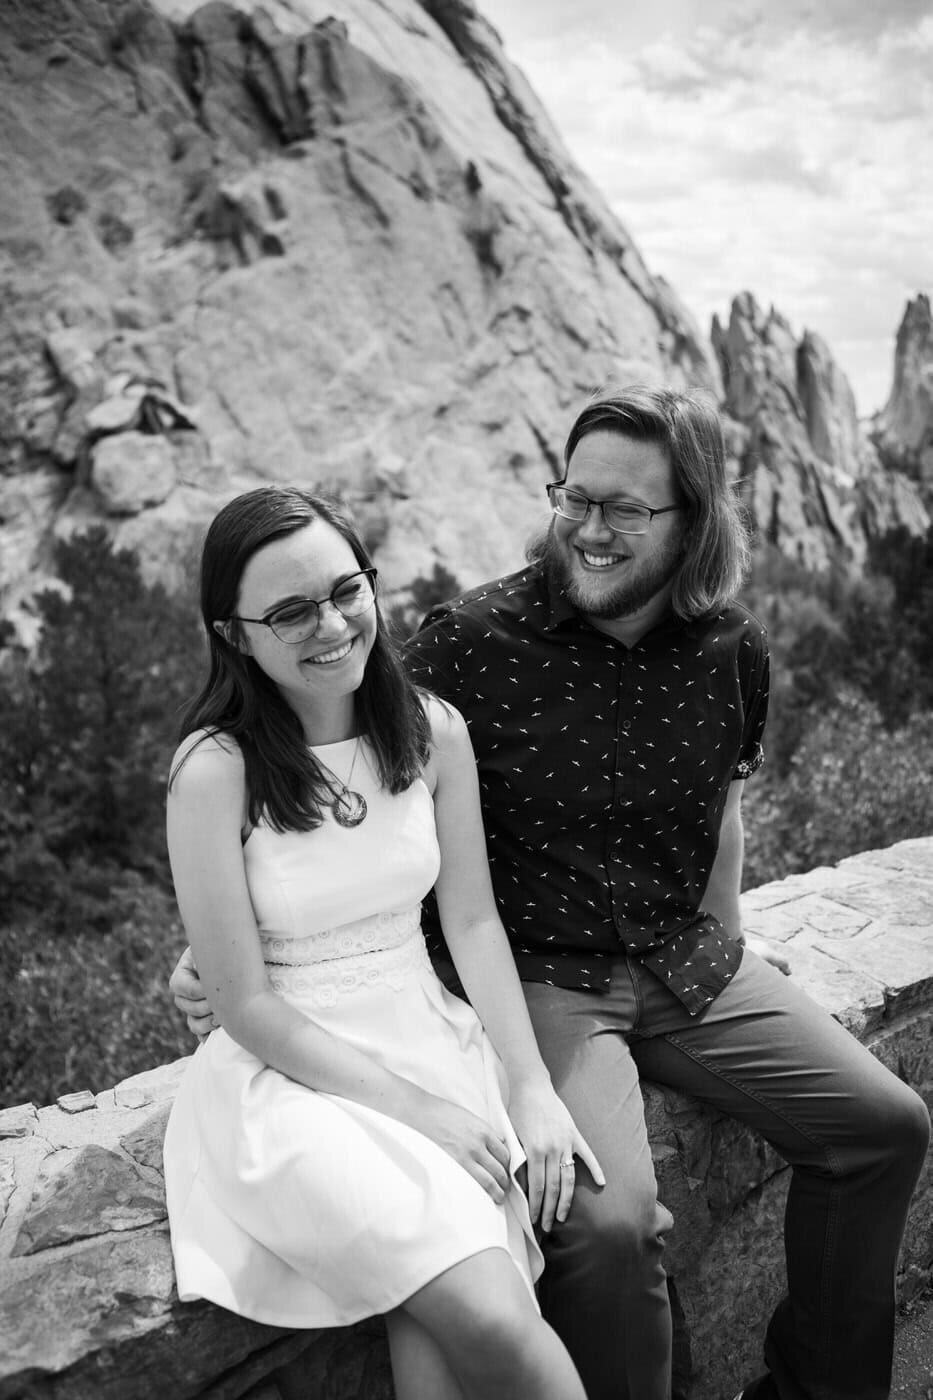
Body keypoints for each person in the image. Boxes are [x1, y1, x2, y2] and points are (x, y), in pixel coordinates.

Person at [172, 388, 931, 1400]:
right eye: (576, 496)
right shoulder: (468, 642)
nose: (589, 526)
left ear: (694, 520)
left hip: (685, 957)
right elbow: (349, 797)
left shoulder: (731, 650)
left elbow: (724, 804)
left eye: (626, 508)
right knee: (612, 1227)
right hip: (544, 977)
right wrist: (222, 947)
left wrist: (736, 944)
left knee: (886, 1123)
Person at [161, 484, 602, 1400]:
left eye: (344, 590)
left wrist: (528, 1087)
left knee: (436, 1331)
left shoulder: (433, 732)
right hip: (290, 1080)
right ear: (235, 633)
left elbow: (472, 921)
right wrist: (422, 1113)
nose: (330, 625)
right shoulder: (215, 772)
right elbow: (243, 1005)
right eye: (289, 611)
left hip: (429, 1037)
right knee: (487, 1316)